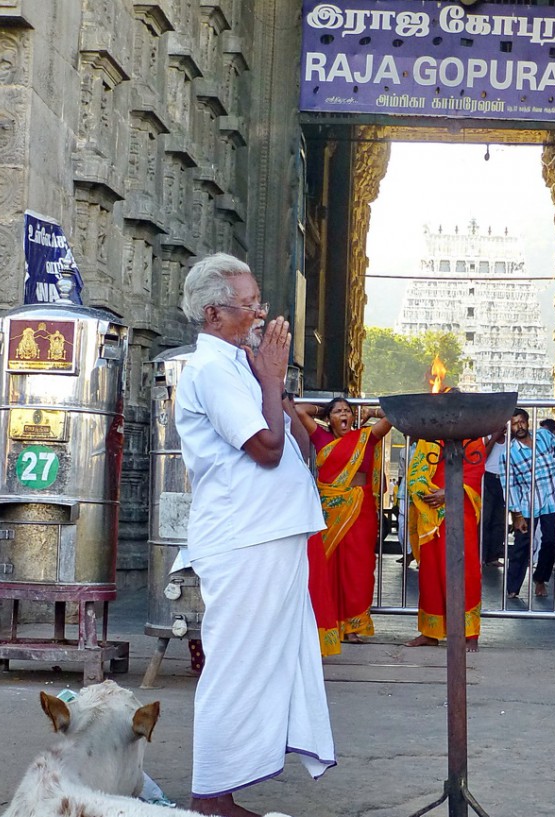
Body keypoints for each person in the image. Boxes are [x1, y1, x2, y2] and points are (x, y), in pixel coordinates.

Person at [175, 252, 335, 816]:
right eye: (250, 306)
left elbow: (292, 440)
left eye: (259, 303)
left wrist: (275, 384)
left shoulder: (240, 364)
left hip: (271, 531)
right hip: (243, 536)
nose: (262, 315)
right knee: (236, 664)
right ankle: (211, 796)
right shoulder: (210, 370)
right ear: (214, 314)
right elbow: (265, 450)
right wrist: (268, 377)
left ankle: (227, 784)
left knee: (269, 660)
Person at [294, 397, 392, 644]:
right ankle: (326, 624)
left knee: (359, 569)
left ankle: (352, 626)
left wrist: (371, 412)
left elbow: (392, 417)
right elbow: (299, 409)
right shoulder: (321, 438)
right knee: (327, 568)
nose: (344, 414)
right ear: (329, 419)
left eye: (347, 410)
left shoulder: (366, 437)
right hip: (330, 510)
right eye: (337, 412)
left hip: (361, 510)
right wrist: (322, 410)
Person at [404, 435, 486, 651]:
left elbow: (475, 472)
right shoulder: (429, 435)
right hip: (429, 509)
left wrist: (449, 492)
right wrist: (424, 491)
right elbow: (417, 471)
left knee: (464, 570)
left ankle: (470, 633)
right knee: (430, 571)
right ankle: (430, 632)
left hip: (460, 507)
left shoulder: (472, 433)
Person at [502, 410, 555, 599]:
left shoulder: (544, 436)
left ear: (527, 422)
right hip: (527, 503)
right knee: (522, 545)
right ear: (510, 427)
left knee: (550, 541)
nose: (519, 426)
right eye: (514, 423)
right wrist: (516, 514)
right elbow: (509, 485)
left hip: (553, 499)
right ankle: (512, 587)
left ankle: (540, 579)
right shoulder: (509, 454)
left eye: (522, 422)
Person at [480, 427, 507, 566]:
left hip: (504, 479)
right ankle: (481, 556)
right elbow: (481, 458)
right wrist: (494, 438)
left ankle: (493, 556)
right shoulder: (487, 436)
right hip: (488, 477)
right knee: (485, 518)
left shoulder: (512, 441)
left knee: (500, 520)